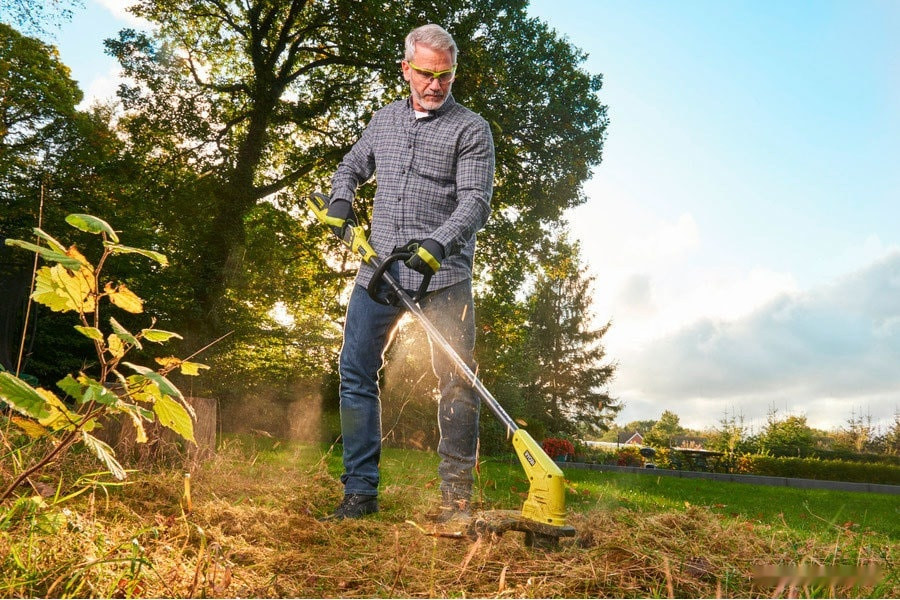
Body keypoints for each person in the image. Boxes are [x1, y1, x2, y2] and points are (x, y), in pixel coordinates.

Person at [323, 23, 495, 521]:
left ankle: (455, 500)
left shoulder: (470, 128)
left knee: (457, 378)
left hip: (443, 278)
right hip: (379, 269)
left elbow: (475, 202)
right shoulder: (383, 121)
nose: (436, 84)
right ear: (406, 69)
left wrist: (439, 244)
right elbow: (353, 164)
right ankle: (359, 492)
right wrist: (340, 198)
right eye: (425, 73)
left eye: (445, 75)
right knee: (355, 371)